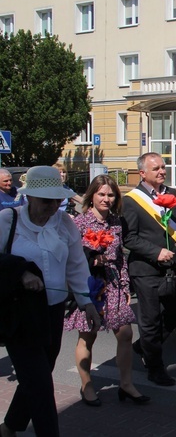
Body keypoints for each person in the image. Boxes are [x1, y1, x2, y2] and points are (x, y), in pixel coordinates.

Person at [0, 166, 101, 437]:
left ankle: (10, 427)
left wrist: (86, 302)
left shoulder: (64, 223)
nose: (53, 206)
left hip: (53, 312)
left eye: (57, 200)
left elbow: (77, 265)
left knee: (39, 374)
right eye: (47, 201)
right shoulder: (7, 220)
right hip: (18, 314)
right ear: (30, 197)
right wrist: (20, 272)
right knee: (42, 385)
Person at [63, 175, 150, 407]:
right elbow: (71, 258)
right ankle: (87, 384)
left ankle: (126, 384)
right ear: (91, 196)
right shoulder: (78, 223)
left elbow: (120, 256)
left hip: (114, 285)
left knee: (125, 334)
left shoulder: (116, 222)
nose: (106, 199)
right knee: (88, 336)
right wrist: (91, 261)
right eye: (101, 194)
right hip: (91, 287)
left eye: (110, 195)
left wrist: (124, 285)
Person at [122, 152, 176, 386]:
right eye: (155, 168)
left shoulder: (171, 194)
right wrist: (154, 252)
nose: (162, 171)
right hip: (146, 269)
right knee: (151, 319)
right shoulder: (131, 200)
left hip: (172, 267)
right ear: (143, 173)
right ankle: (155, 367)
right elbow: (129, 238)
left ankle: (144, 346)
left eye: (163, 167)